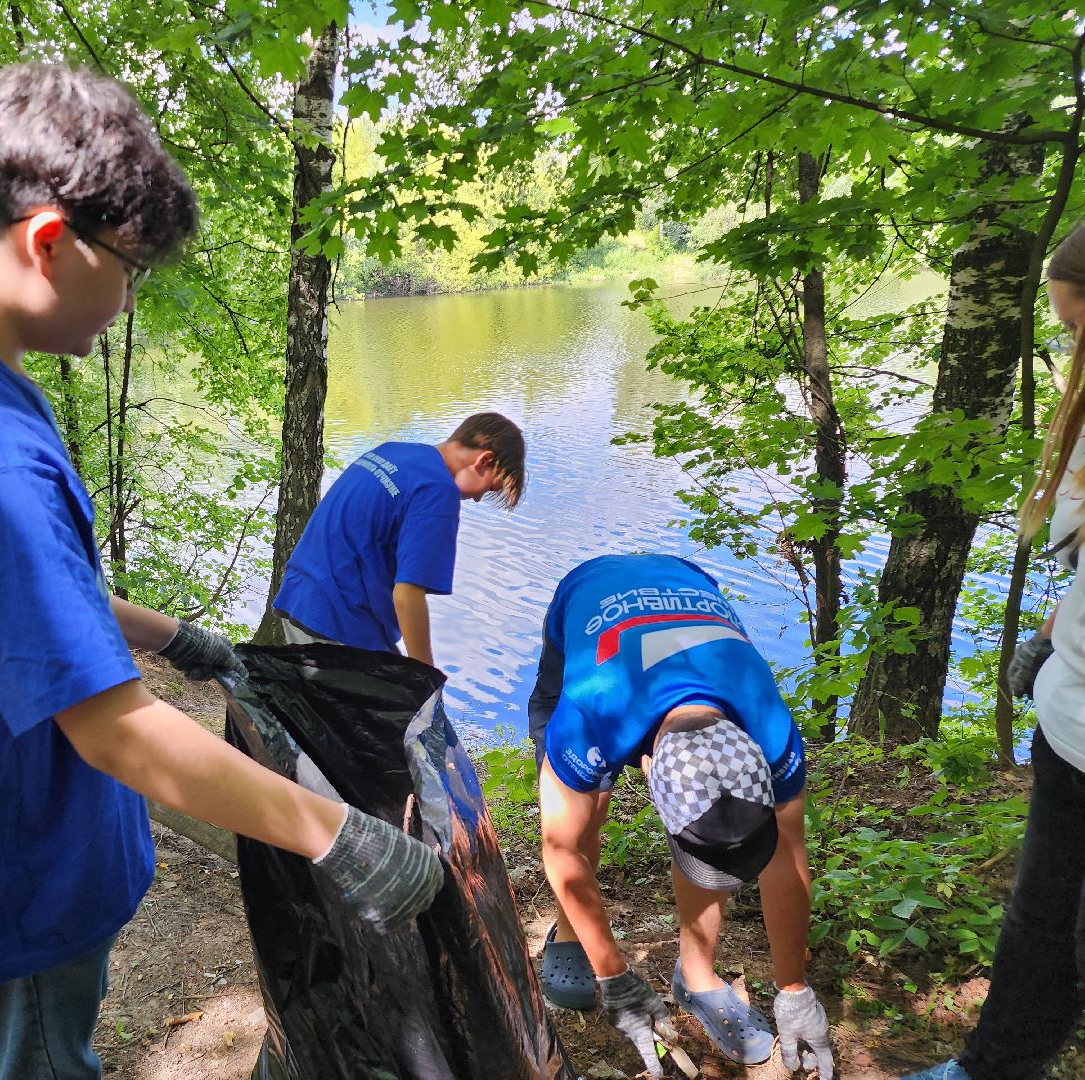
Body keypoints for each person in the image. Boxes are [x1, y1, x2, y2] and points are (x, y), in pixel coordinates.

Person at [0, 63, 442, 1080]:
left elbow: (13, 594)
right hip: (12, 857)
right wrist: (340, 836)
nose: (125, 298)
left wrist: (174, 636)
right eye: (128, 266)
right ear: (48, 242)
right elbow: (114, 729)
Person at [527, 553, 832, 1079]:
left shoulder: (771, 728)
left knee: (709, 830)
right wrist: (614, 977)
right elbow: (561, 847)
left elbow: (787, 852)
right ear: (647, 771)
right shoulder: (587, 713)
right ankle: (571, 933)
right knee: (585, 814)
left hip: (686, 581)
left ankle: (697, 977)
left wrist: (794, 988)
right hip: (589, 593)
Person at [902, 227, 1085, 1080]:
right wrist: (1048, 636)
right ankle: (992, 1069)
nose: (1072, 350)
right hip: (1069, 729)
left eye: (1078, 326)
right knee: (1039, 919)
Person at [272, 413, 526, 666]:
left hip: (297, 598)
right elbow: (407, 594)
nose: (478, 498)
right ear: (484, 460)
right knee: (413, 690)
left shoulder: (392, 451)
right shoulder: (438, 489)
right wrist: (424, 673)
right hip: (340, 624)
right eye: (490, 487)